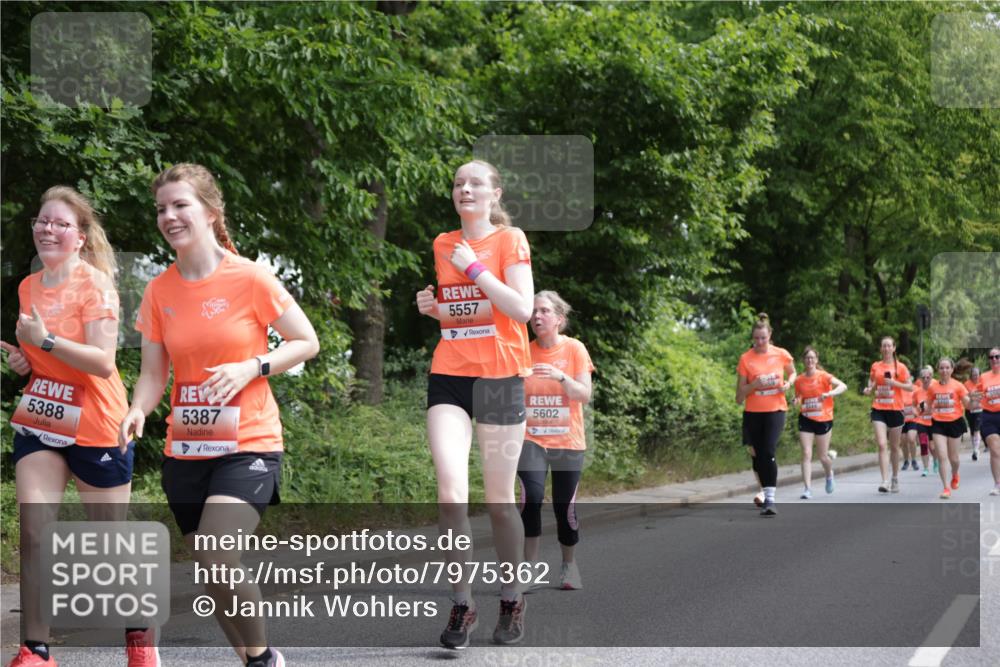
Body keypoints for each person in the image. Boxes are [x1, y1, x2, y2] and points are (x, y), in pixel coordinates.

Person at [119, 164, 319, 667]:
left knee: (215, 554)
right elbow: (152, 373)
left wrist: (252, 366)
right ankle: (256, 659)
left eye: (180, 205)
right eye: (162, 208)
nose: (169, 216)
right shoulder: (159, 291)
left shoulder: (250, 277)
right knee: (211, 572)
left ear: (209, 212)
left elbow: (306, 341)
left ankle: (267, 658)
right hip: (186, 447)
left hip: (249, 442)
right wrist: (137, 409)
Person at [2, 187, 159, 667]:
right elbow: (40, 356)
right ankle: (36, 649)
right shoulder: (30, 286)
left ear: (80, 236)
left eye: (60, 223)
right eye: (42, 221)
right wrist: (23, 361)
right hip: (44, 417)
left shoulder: (97, 287)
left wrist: (44, 341)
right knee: (34, 529)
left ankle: (139, 634)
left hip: (96, 420)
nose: (47, 229)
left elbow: (101, 362)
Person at [415, 160, 534, 648]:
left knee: (500, 503)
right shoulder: (444, 243)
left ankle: (511, 596)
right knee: (450, 492)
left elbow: (521, 309)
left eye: (475, 183)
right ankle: (462, 604)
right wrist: (436, 309)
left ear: (494, 193)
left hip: (501, 378)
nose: (464, 189)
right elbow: (470, 312)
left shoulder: (510, 241)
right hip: (450, 375)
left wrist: (475, 267)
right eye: (458, 183)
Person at [517, 291, 594, 590]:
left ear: (559, 319)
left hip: (567, 441)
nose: (537, 316)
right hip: (531, 438)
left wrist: (561, 377)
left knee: (565, 508)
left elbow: (584, 395)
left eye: (544, 311)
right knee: (531, 499)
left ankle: (569, 565)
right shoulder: (522, 350)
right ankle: (529, 570)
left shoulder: (575, 349)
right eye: (534, 311)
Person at [735, 313, 796, 516]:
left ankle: (770, 499)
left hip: (776, 410)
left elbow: (792, 372)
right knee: (757, 454)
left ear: (770, 335)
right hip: (753, 412)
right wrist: (753, 385)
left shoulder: (781, 354)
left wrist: (789, 383)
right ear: (752, 338)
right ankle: (764, 493)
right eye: (756, 338)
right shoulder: (746, 359)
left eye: (763, 337)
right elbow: (738, 396)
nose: (760, 342)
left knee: (768, 451)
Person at [793, 346, 847, 498]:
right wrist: (795, 400)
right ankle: (807, 489)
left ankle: (829, 474)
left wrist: (830, 393)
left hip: (823, 419)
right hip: (806, 418)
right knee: (806, 453)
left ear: (816, 360)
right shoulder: (799, 380)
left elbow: (843, 386)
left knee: (822, 456)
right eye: (807, 358)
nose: (810, 360)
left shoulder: (824, 376)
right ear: (804, 361)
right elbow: (798, 397)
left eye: (812, 358)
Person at [862, 336, 913, 494]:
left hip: (896, 410)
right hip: (879, 408)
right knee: (882, 444)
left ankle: (895, 478)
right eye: (883, 346)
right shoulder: (876, 366)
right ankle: (884, 480)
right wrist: (869, 389)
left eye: (888, 346)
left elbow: (910, 387)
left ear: (894, 348)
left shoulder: (901, 367)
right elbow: (872, 382)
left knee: (894, 447)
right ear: (880, 349)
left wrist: (894, 384)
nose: (886, 348)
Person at [927, 357, 970, 499]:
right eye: (941, 368)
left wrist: (974, 400)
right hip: (938, 423)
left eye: (947, 368)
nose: (944, 370)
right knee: (942, 456)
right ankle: (946, 487)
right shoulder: (933, 387)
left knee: (954, 458)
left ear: (951, 370)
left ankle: (955, 473)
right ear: (938, 370)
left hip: (955, 422)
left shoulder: (958, 385)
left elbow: (968, 405)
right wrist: (921, 408)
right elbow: (927, 406)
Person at [976, 348, 1000, 495]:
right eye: (991, 358)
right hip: (989, 416)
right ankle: (997, 483)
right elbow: (977, 396)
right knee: (995, 450)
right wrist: (973, 399)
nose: (995, 360)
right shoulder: (984, 377)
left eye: (997, 357)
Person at [912, 367, 935, 477]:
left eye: (928, 377)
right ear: (920, 379)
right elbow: (913, 406)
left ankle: (936, 461)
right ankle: (925, 468)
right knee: (923, 444)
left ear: (931, 377)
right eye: (923, 377)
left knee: (933, 446)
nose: (926, 379)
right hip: (921, 421)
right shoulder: (917, 392)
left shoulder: (935, 390)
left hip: (934, 421)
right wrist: (916, 411)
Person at [965, 367, 983, 460]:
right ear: (971, 375)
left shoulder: (982, 383)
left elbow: (984, 396)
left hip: (980, 410)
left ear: (980, 374)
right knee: (972, 431)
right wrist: (974, 396)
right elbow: (966, 396)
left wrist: (974, 396)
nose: (975, 376)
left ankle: (976, 450)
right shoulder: (967, 384)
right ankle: (974, 448)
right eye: (974, 374)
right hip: (969, 410)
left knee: (976, 430)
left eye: (977, 374)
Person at [901, 384, 920, 471]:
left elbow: (921, 401)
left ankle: (914, 460)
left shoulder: (915, 388)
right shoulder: (899, 388)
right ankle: (906, 461)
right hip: (902, 420)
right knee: (904, 441)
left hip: (913, 419)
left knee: (911, 439)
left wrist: (917, 411)